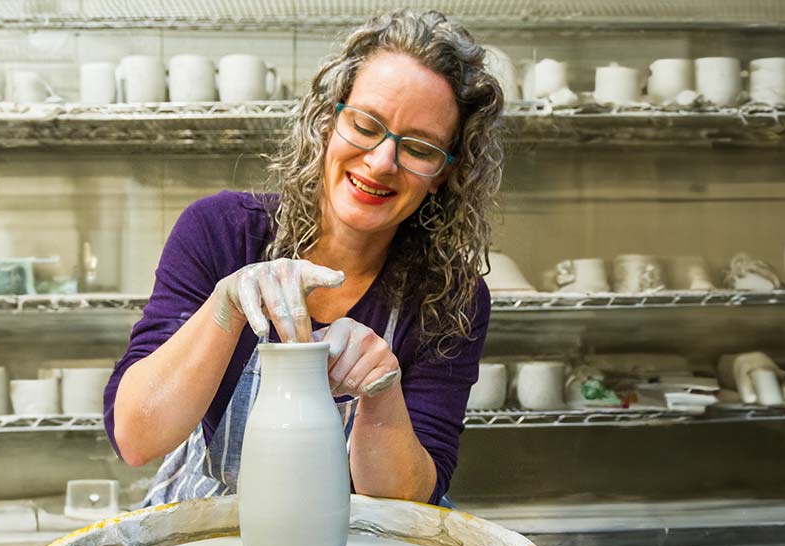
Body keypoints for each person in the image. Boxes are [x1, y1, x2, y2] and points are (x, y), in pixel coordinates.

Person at [103, 9, 505, 507]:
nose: (381, 162)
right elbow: (137, 438)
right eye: (366, 124)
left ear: (444, 173)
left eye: (419, 148)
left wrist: (381, 397)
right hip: (211, 527)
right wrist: (224, 309)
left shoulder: (449, 296)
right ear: (328, 121)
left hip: (360, 542)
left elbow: (408, 498)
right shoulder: (222, 232)